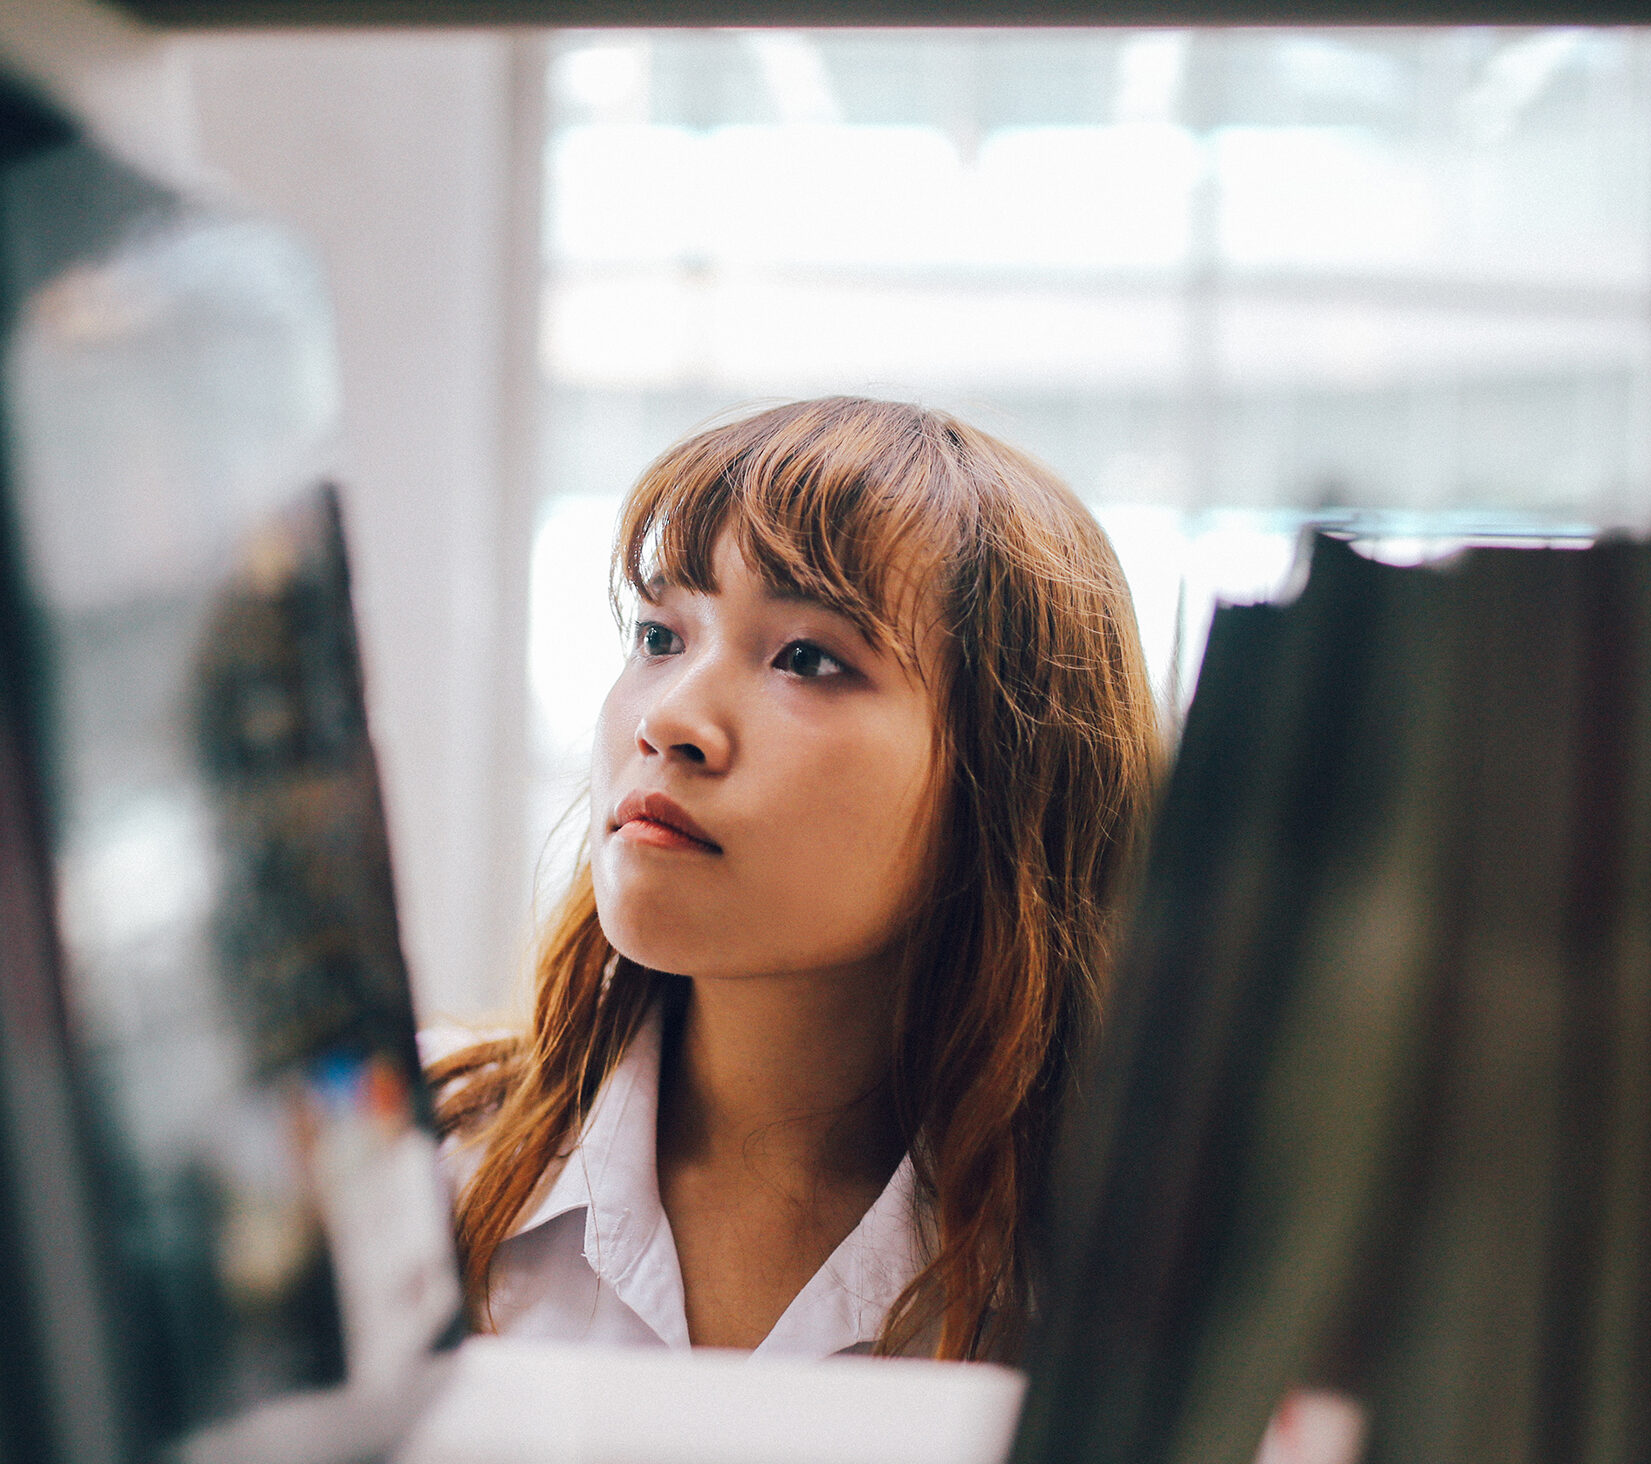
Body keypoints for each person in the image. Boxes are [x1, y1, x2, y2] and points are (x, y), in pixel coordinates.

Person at [427, 396, 1162, 1362]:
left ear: (1013, 780)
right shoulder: (416, 1170)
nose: (671, 719)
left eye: (808, 659)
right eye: (659, 636)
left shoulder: (1124, 1287)